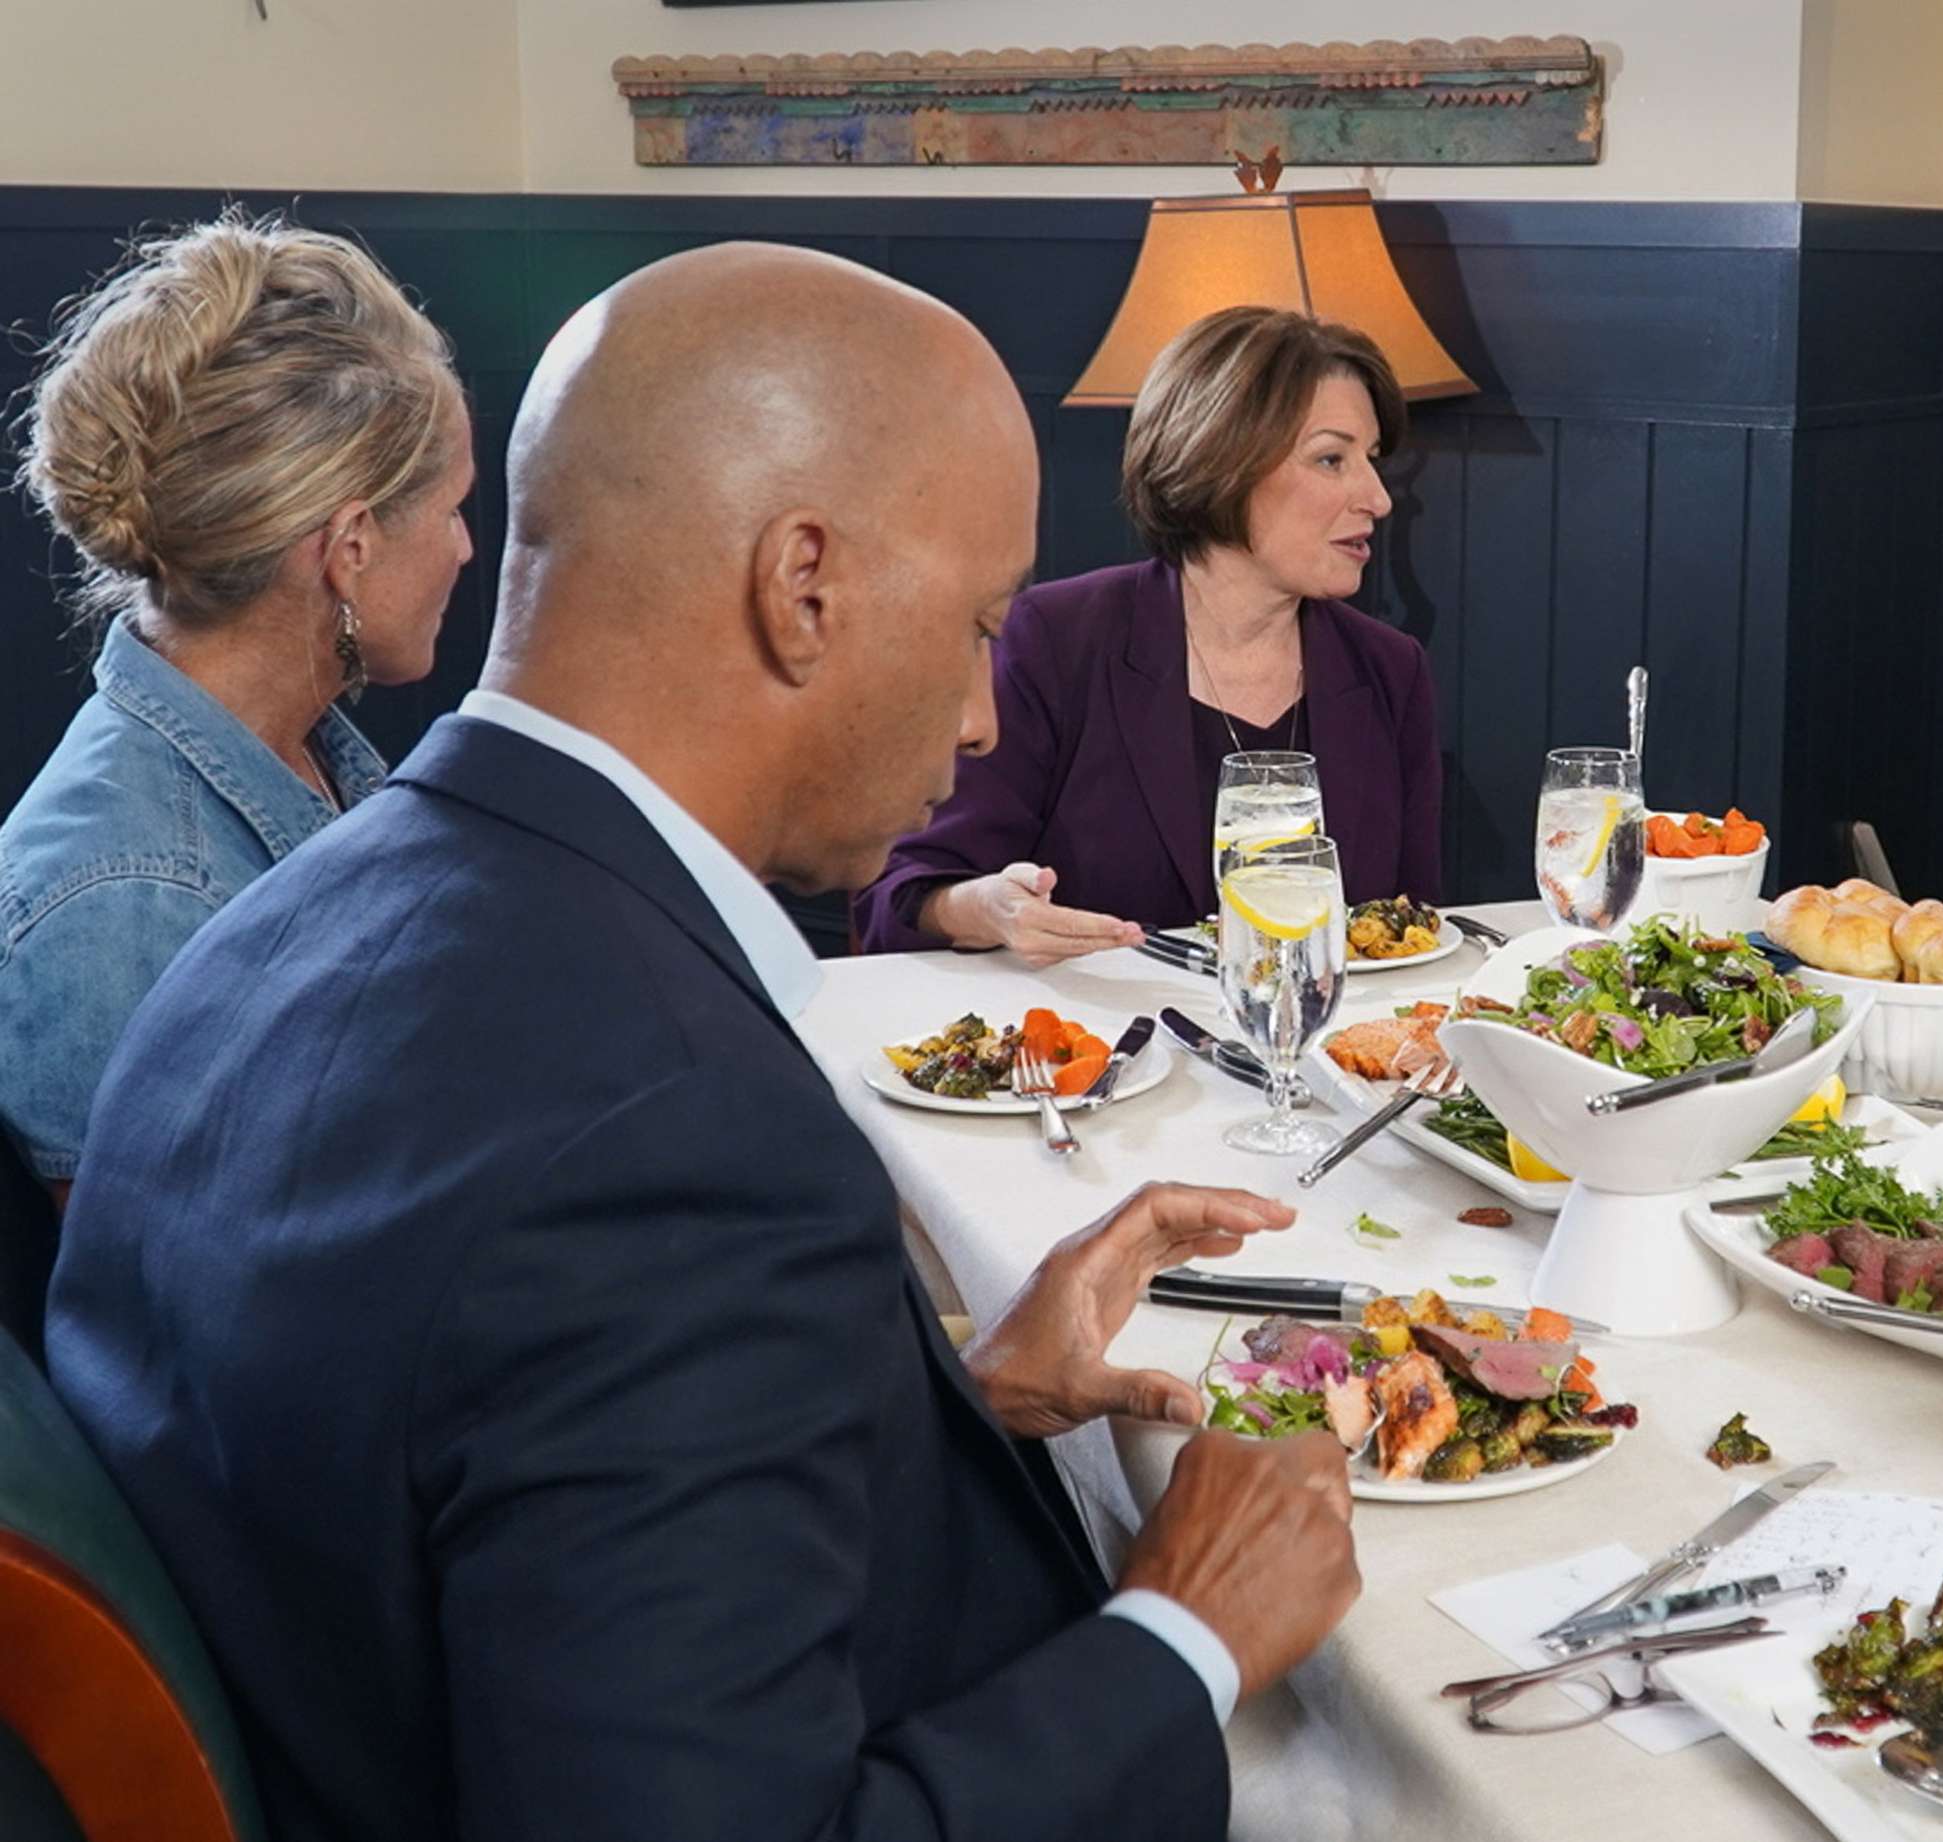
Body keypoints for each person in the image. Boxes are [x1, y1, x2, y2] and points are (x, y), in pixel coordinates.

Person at [45, 244, 1357, 1842]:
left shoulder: (277, 903)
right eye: (973, 629)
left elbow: (504, 1433)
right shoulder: (671, 1144)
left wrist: (943, 1392)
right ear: (801, 585)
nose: (981, 722)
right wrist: (1188, 1626)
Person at [0, 214, 472, 1201]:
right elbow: (171, 1318)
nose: (466, 549)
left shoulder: (312, 758)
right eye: (449, 508)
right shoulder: (130, 905)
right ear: (350, 547)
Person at [853, 304, 1442, 964]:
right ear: (1223, 461)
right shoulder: (1053, 641)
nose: (1378, 498)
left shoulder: (1391, 670)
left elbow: (1412, 936)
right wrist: (992, 908)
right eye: (1332, 459)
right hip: (1100, 1054)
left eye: (1373, 459)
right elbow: (898, 897)